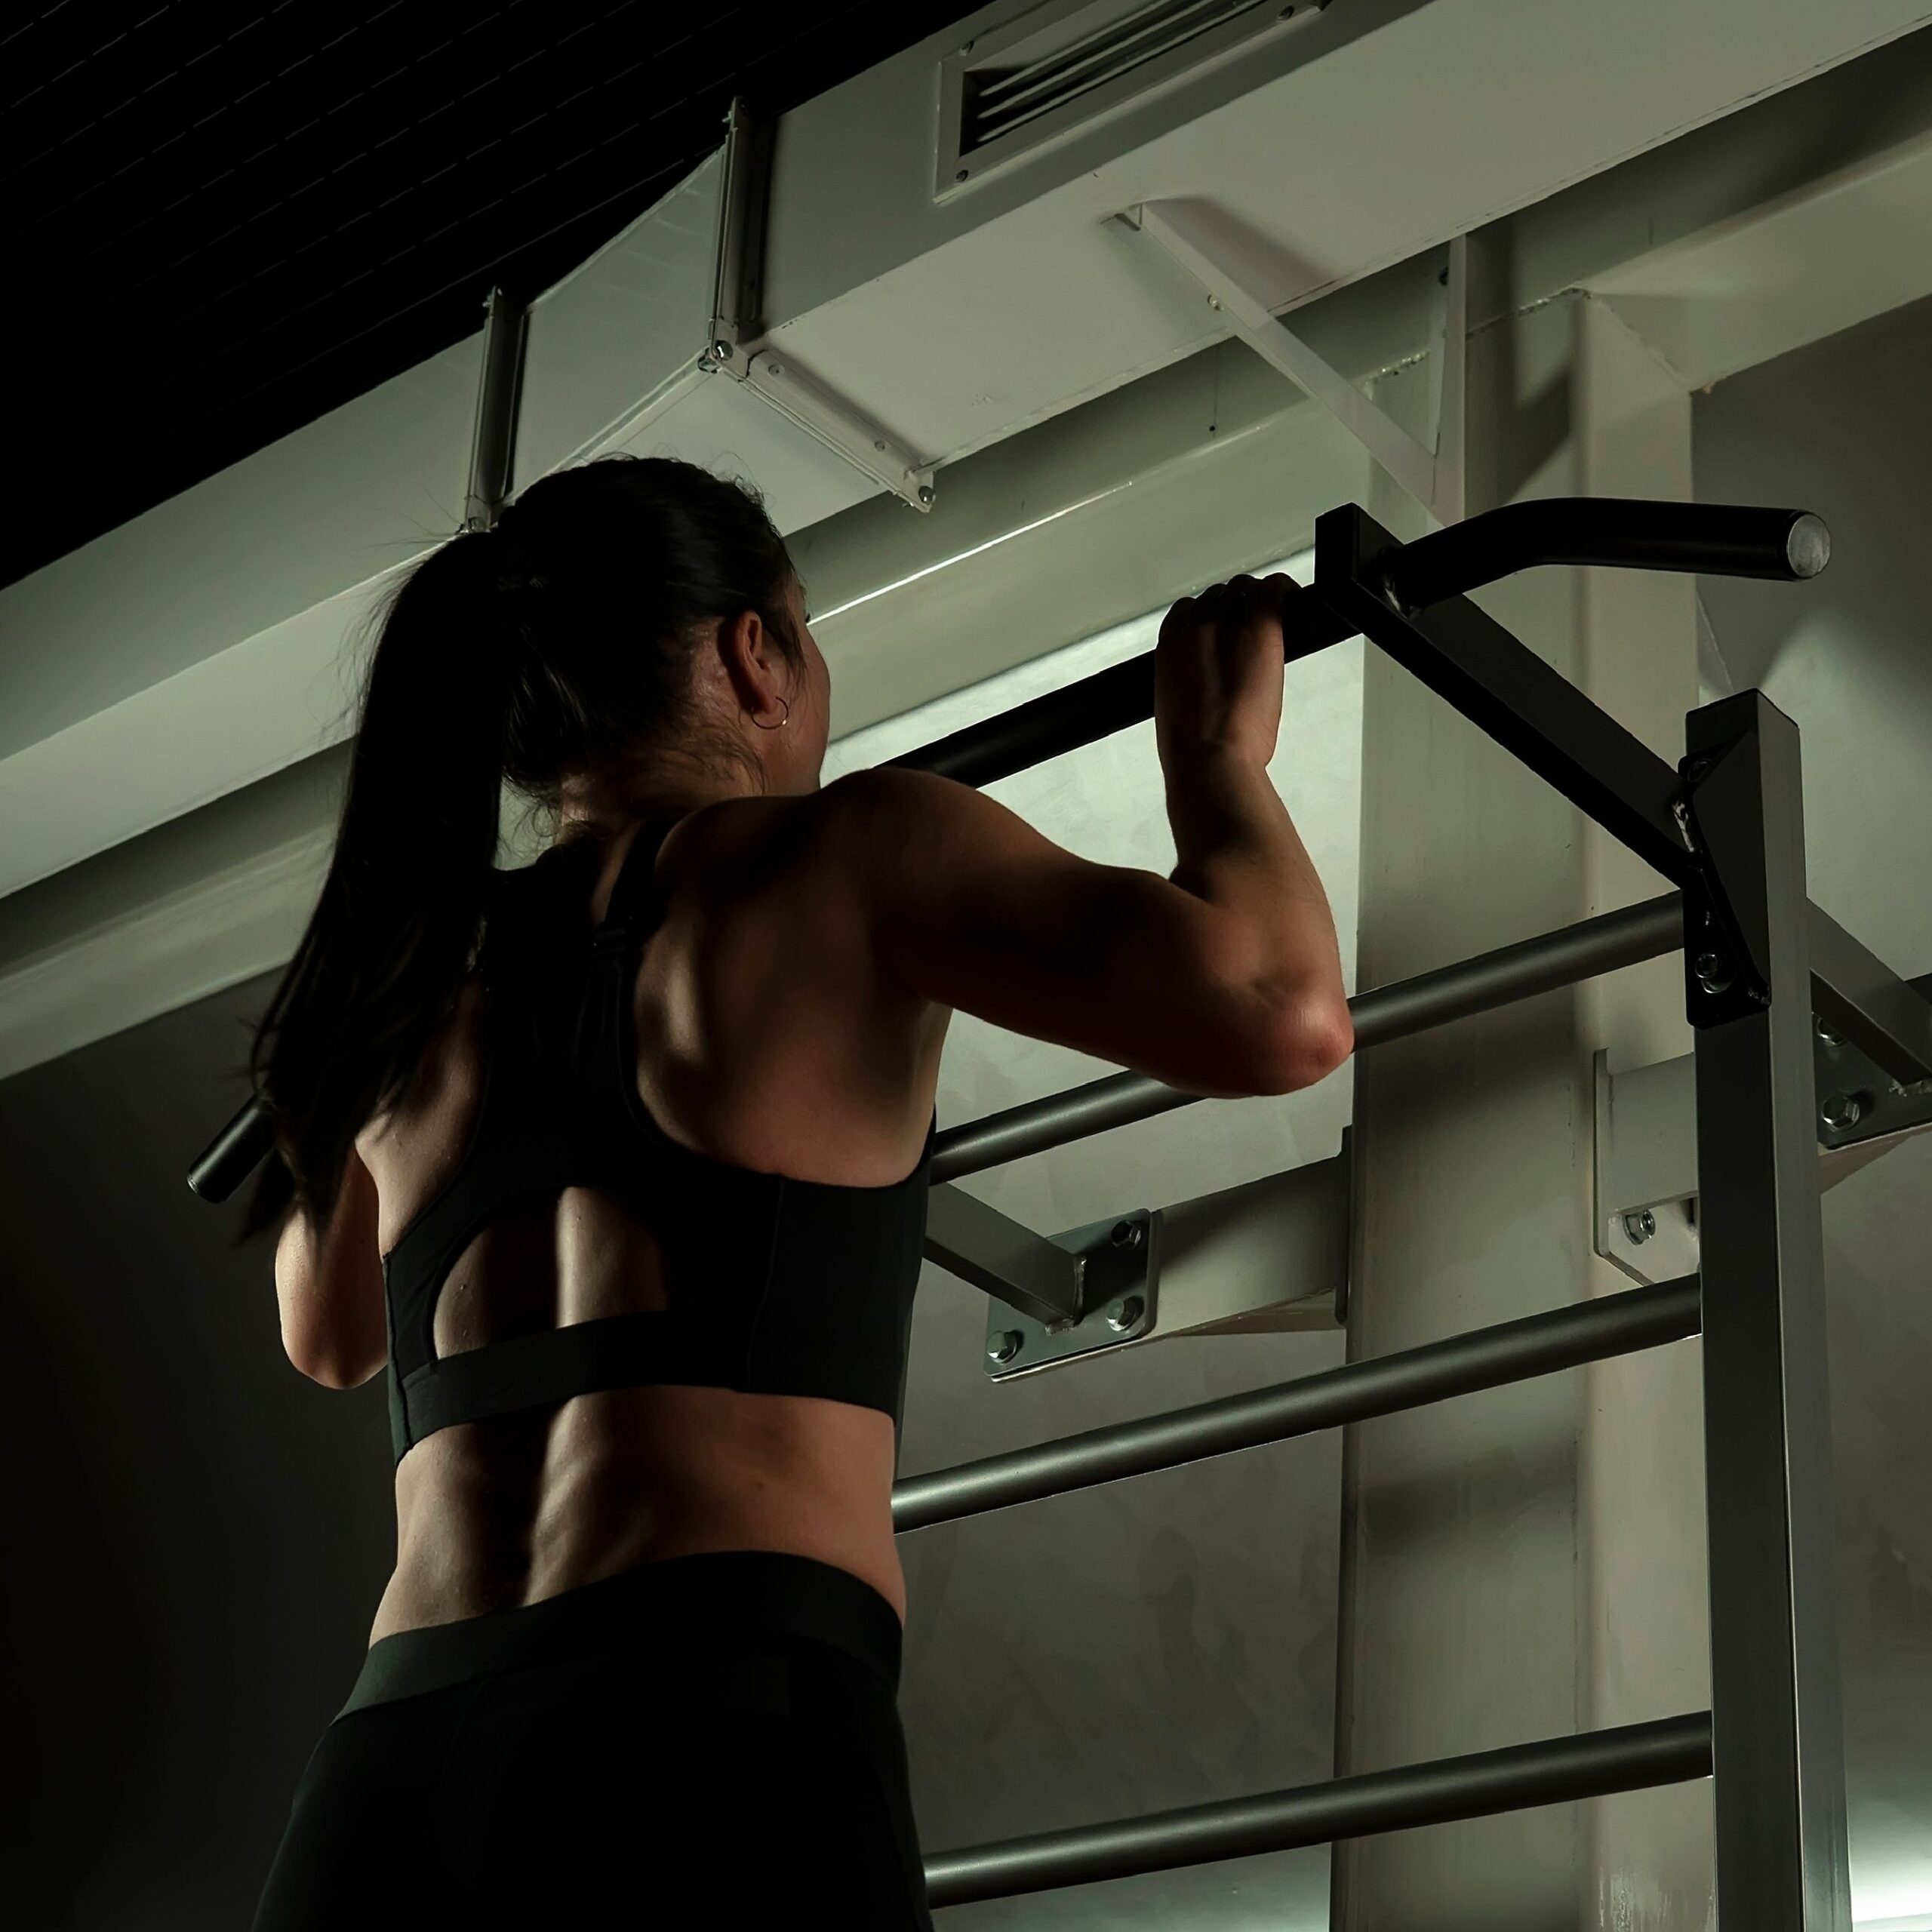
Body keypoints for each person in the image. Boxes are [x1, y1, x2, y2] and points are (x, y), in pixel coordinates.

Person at [248, 453, 1352, 1929]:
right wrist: (1214, 761)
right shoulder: (852, 853)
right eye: (806, 632)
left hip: (391, 1771)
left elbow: (328, 1336)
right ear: (753, 653)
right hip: (708, 1715)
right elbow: (1280, 1011)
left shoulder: (406, 993)